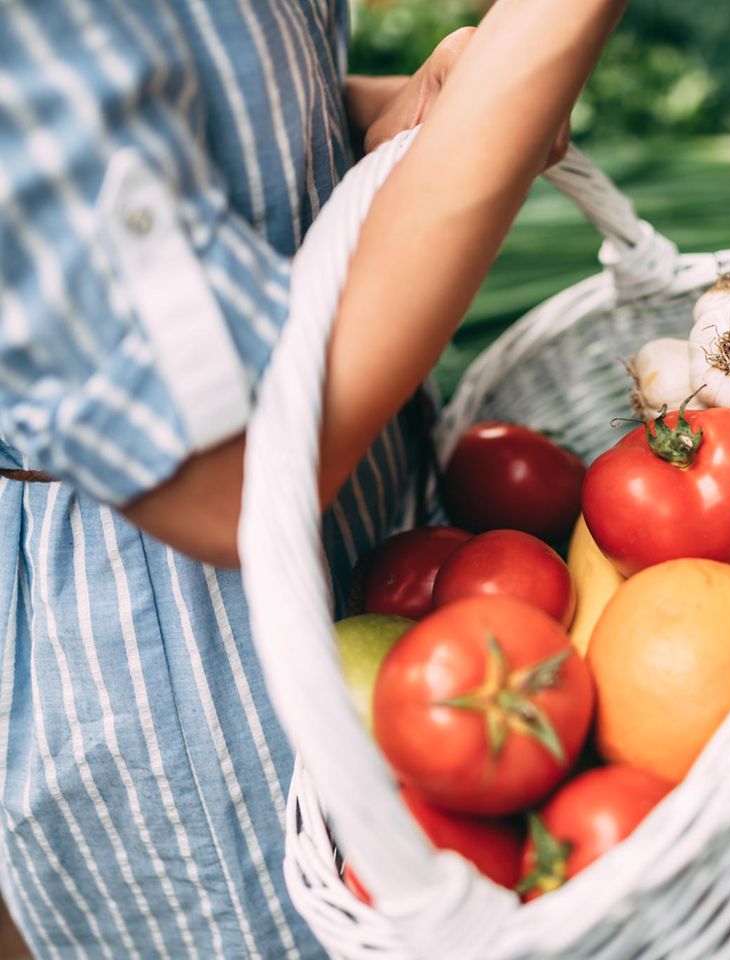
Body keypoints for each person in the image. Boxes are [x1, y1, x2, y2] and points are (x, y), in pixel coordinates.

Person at [0, 0, 626, 955]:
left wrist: (371, 111)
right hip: (191, 661)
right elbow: (225, 480)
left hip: (389, 530)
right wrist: (548, 31)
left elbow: (157, 106)